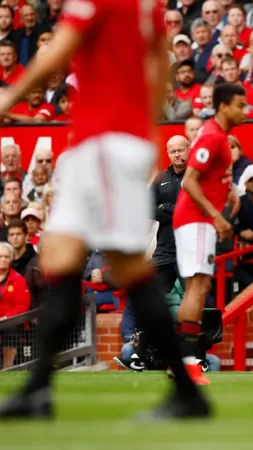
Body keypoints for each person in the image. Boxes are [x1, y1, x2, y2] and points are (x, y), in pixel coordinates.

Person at [0, 0, 209, 420]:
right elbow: (160, 65)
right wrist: (144, 127)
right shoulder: (147, 8)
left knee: (128, 267)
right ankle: (37, 391)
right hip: (107, 142)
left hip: (105, 143)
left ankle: (188, 394)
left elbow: (56, 53)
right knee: (60, 260)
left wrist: (7, 99)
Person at [172, 83, 246, 386]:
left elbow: (210, 176)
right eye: (240, 105)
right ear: (223, 106)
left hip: (194, 219)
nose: (244, 111)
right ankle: (188, 366)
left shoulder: (217, 135)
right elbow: (189, 180)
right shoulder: (214, 136)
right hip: (197, 219)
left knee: (197, 286)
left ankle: (181, 362)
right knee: (198, 287)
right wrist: (216, 216)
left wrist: (227, 191)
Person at [151, 136, 189, 294]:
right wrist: (176, 215)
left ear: (189, 150)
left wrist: (166, 206)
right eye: (173, 151)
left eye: (180, 150)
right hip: (164, 248)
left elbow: (194, 209)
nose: (177, 154)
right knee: (150, 294)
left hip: (190, 248)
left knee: (194, 295)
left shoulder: (197, 177)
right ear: (168, 153)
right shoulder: (161, 178)